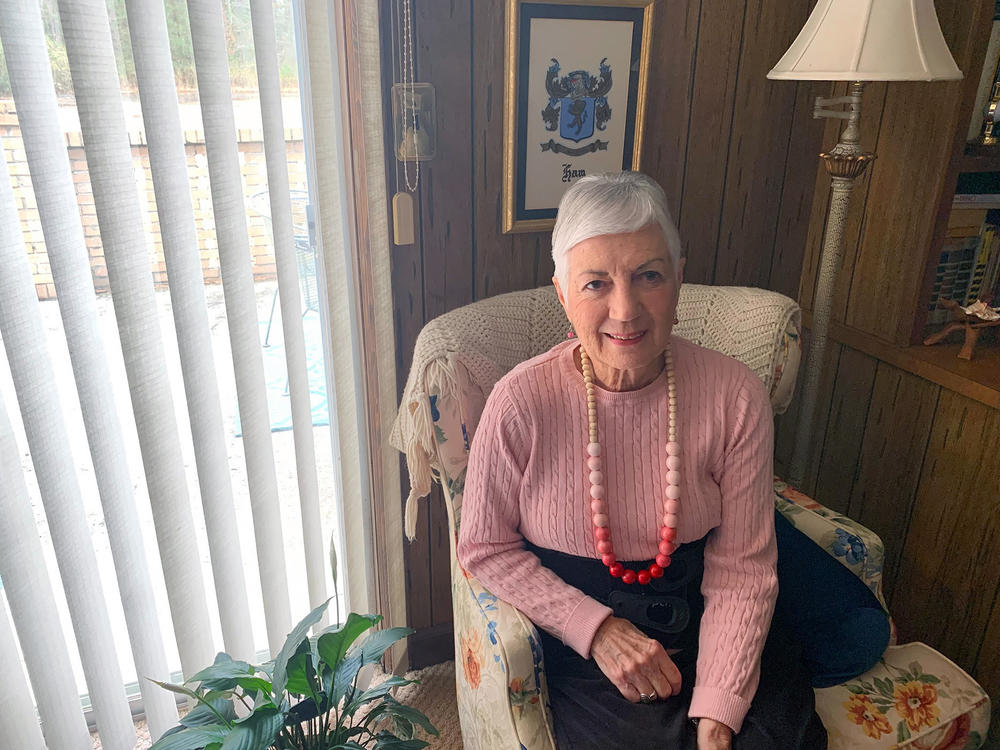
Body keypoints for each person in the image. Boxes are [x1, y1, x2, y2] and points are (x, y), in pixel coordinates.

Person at [457, 171, 827, 749]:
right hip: (585, 647)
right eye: (596, 283)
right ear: (563, 295)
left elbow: (745, 566)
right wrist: (596, 629)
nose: (624, 310)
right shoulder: (518, 402)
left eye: (648, 276)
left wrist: (720, 707)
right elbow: (484, 548)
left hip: (711, 619)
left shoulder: (735, 395)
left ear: (679, 280)